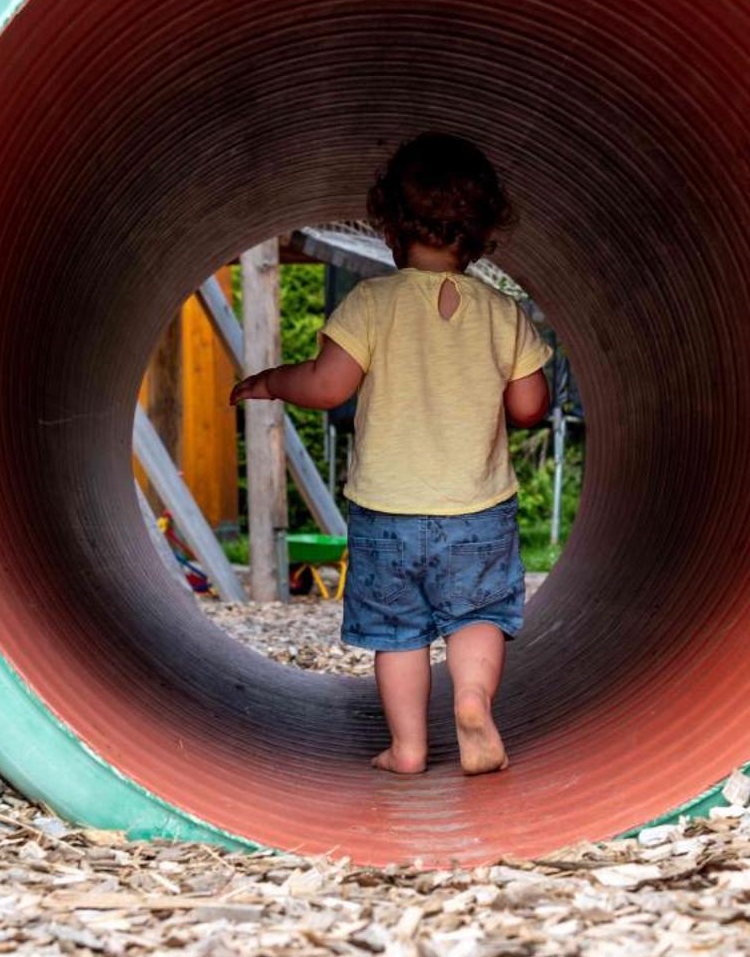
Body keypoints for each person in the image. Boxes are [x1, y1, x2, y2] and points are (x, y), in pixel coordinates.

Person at [230, 133, 552, 775]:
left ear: (388, 229)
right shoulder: (502, 313)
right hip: (478, 511)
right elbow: (528, 408)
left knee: (398, 634)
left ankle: (408, 749)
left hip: (387, 514)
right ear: (482, 232)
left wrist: (270, 382)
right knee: (478, 616)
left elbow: (327, 387)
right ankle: (469, 698)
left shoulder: (370, 304)